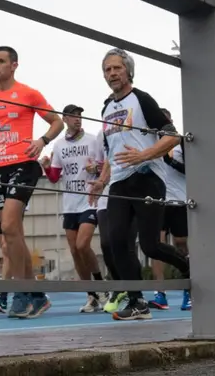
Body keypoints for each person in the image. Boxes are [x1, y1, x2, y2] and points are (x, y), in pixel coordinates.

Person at [88, 48, 190, 321]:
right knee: (114, 241)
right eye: (107, 69)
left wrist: (142, 155)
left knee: (150, 246)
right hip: (120, 182)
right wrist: (101, 181)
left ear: (128, 71)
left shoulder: (141, 99)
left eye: (117, 68)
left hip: (148, 177)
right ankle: (137, 301)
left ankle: (189, 269)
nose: (112, 74)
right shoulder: (106, 107)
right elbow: (111, 151)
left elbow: (172, 136)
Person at [0, 45, 64, 319]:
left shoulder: (29, 93)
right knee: (12, 235)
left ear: (14, 65)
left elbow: (57, 123)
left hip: (24, 165)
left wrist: (42, 141)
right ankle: (37, 295)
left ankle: (20, 293)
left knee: (9, 225)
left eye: (0, 61)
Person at [41, 104, 109, 313]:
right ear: (65, 119)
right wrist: (45, 166)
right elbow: (54, 177)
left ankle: (101, 286)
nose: (77, 119)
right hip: (69, 203)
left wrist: (96, 169)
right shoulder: (59, 145)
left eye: (79, 116)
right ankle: (91, 296)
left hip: (88, 200)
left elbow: (105, 164)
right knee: (74, 250)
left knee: (82, 245)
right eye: (73, 116)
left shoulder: (92, 140)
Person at [148, 108, 191, 311]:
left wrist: (171, 160)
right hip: (158, 200)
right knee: (156, 244)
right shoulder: (149, 141)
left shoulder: (180, 141)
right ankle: (160, 292)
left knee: (181, 243)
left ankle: (189, 287)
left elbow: (194, 168)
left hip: (179, 200)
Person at [91, 127, 130, 313]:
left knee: (126, 243)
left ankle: (134, 291)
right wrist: (96, 171)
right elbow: (101, 162)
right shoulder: (102, 134)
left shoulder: (133, 128)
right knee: (106, 243)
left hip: (129, 191)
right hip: (106, 192)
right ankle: (119, 286)